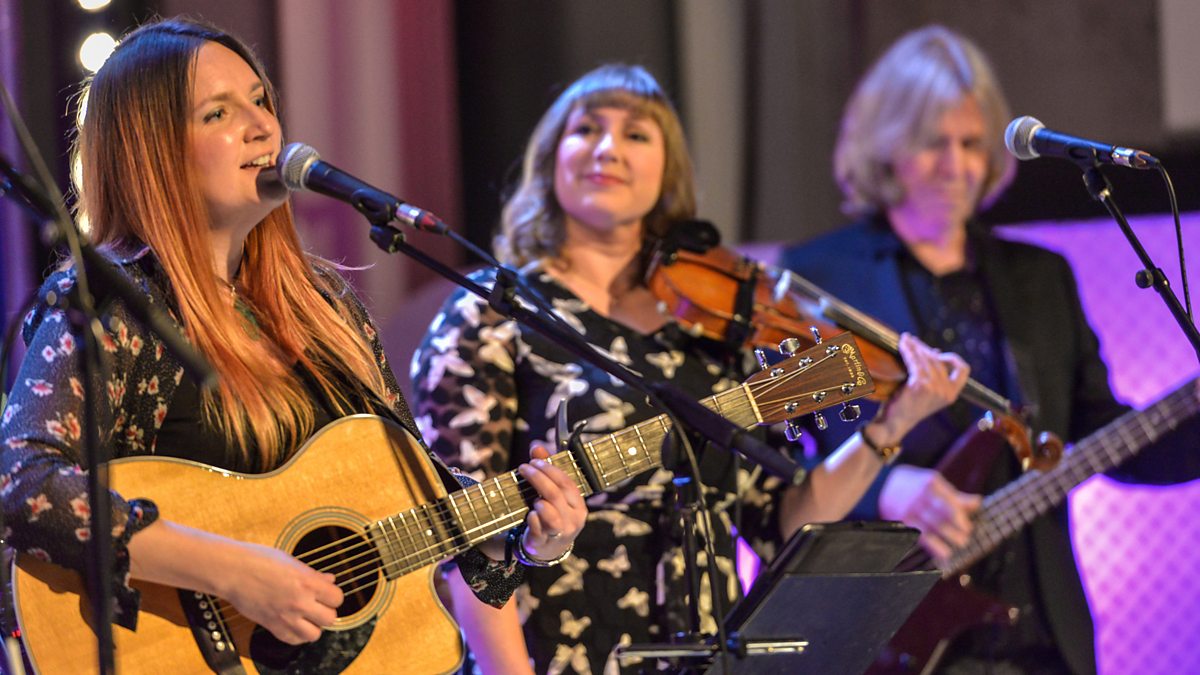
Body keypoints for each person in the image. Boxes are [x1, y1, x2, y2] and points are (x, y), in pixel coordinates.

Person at [0, 17, 585, 669]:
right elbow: (19, 484)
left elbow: (422, 508)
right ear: (152, 152)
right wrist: (233, 571)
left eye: (260, 101)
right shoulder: (111, 306)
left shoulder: (325, 308)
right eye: (218, 112)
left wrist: (527, 534)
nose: (262, 127)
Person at [411, 64, 971, 675]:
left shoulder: (714, 331)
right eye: (586, 129)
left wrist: (890, 428)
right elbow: (463, 540)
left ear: (667, 170)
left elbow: (784, 522)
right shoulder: (490, 312)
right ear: (551, 158)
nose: (607, 148)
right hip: (553, 657)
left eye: (636, 134)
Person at [780, 25, 1200, 675]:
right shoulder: (821, 277)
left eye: (972, 143)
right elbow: (781, 462)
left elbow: (1098, 431)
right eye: (933, 142)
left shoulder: (1040, 275)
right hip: (892, 636)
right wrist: (886, 486)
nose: (956, 165)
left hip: (1042, 639)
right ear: (886, 147)